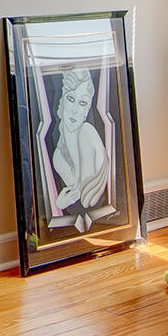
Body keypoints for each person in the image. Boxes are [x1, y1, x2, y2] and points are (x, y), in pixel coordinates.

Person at [47, 67, 111, 232]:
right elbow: (79, 194)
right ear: (62, 101)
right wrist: (59, 203)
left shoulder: (87, 132)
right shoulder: (59, 156)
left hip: (104, 220)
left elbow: (87, 199)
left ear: (87, 108)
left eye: (82, 103)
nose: (75, 109)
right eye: (70, 98)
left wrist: (61, 202)